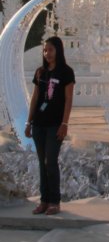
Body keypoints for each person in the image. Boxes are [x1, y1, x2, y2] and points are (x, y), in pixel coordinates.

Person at [25, 36, 75, 215]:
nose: (47, 53)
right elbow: (35, 98)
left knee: (50, 161)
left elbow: (68, 99)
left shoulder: (66, 72)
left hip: (55, 124)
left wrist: (64, 123)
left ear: (58, 51)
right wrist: (29, 122)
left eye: (50, 50)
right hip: (39, 123)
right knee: (42, 162)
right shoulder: (40, 72)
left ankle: (55, 201)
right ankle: (44, 200)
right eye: (45, 50)